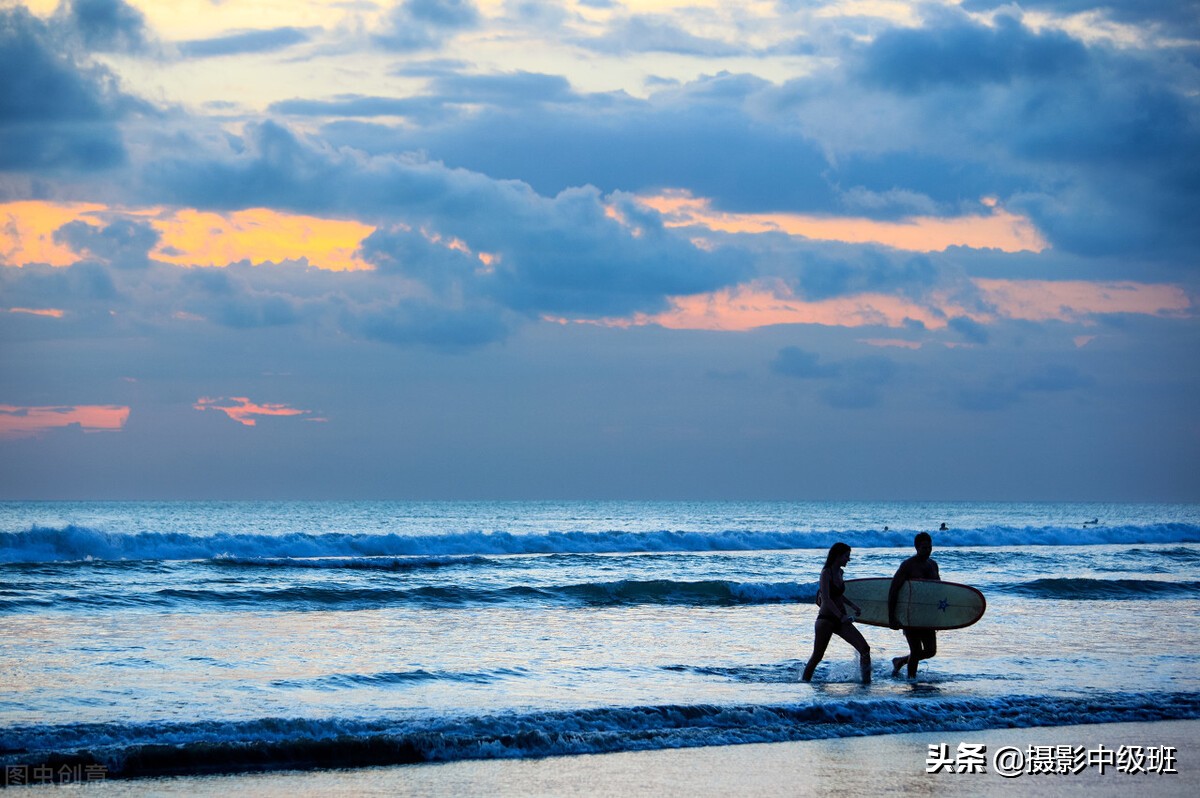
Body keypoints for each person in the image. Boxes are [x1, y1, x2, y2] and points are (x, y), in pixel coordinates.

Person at [802, 542, 872, 684]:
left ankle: (866, 684)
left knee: (864, 649)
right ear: (837, 556)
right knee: (817, 656)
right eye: (846, 556)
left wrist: (853, 606)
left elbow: (838, 595)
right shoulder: (826, 573)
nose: (848, 559)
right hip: (826, 620)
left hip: (840, 620)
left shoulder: (840, 572)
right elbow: (826, 598)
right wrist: (841, 616)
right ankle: (804, 682)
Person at [889, 532, 940, 679]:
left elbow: (939, 590)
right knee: (916, 651)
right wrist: (892, 617)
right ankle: (912, 681)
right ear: (917, 548)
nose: (928, 550)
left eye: (930, 547)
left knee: (931, 651)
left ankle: (900, 661)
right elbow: (894, 590)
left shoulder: (933, 565)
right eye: (924, 548)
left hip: (927, 615)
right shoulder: (908, 565)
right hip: (911, 614)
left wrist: (940, 616)